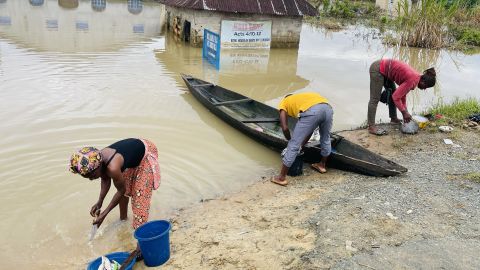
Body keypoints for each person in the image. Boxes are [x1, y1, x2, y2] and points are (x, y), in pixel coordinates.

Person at [69, 138, 160, 230]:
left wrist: (104, 214)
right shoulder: (97, 158)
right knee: (124, 187)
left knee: (140, 202)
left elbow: (121, 191)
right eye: (88, 177)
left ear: (99, 166)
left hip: (146, 154)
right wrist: (99, 202)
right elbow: (105, 179)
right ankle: (123, 220)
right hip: (133, 153)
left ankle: (141, 237)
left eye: (92, 175)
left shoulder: (112, 167)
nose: (91, 179)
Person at [271, 93, 333, 186]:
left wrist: (290, 140)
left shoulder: (283, 102)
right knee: (325, 138)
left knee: (293, 144)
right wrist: (302, 146)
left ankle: (281, 178)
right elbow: (310, 130)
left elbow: (285, 128)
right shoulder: (302, 98)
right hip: (328, 109)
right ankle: (322, 165)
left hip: (313, 111)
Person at [368, 59, 436, 135]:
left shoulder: (416, 78)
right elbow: (396, 97)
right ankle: (371, 127)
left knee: (393, 93)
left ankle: (393, 119)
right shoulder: (413, 80)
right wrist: (404, 112)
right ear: (423, 81)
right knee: (375, 99)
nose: (424, 89)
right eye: (426, 86)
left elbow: (402, 95)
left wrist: (405, 111)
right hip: (378, 69)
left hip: (387, 71)